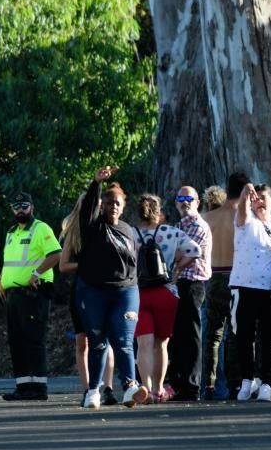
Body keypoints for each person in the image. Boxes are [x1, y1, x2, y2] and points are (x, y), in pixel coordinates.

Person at [76, 166, 148, 409]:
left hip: (125, 291)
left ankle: (130, 387)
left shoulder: (128, 230)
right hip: (94, 291)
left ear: (123, 205)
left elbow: (134, 262)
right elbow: (86, 209)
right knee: (98, 343)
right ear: (101, 205)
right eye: (108, 203)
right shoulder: (93, 225)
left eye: (117, 203)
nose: (113, 207)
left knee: (124, 341)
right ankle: (93, 391)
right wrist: (96, 182)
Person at [230, 183, 271, 402]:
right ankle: (247, 380)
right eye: (255, 198)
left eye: (263, 198)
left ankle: (267, 382)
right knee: (244, 337)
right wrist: (245, 193)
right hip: (245, 287)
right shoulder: (245, 221)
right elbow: (241, 209)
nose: (259, 201)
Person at [133, 193, 200, 402]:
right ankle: (159, 389)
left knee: (143, 343)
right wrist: (177, 268)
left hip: (139, 292)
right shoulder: (172, 233)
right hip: (166, 291)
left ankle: (145, 387)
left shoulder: (131, 234)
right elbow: (195, 250)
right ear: (159, 211)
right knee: (161, 344)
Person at [0, 193, 62, 401]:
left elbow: (55, 254)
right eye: (16, 207)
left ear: (31, 207)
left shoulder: (40, 228)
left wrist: (37, 273)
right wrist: (1, 279)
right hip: (13, 294)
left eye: (24, 206)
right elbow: (11, 261)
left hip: (33, 294)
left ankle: (38, 387)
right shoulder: (11, 232)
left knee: (33, 340)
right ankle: (23, 386)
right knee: (17, 341)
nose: (20, 210)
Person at [59, 196, 118, 407]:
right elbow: (63, 265)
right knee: (82, 340)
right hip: (83, 290)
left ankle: (109, 388)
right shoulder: (74, 231)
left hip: (106, 288)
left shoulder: (108, 228)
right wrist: (85, 264)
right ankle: (88, 390)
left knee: (105, 339)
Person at [202, 172, 247, 400]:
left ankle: (208, 386)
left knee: (212, 335)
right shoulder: (241, 218)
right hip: (234, 277)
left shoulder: (208, 218)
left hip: (212, 277)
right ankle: (234, 384)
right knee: (234, 333)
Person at [168, 185, 212, 401]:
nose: (185, 202)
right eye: (181, 198)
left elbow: (187, 253)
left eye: (189, 198)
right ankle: (178, 385)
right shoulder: (178, 225)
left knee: (192, 335)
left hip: (193, 284)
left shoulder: (197, 225)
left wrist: (173, 260)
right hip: (178, 285)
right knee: (178, 335)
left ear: (197, 202)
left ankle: (192, 386)